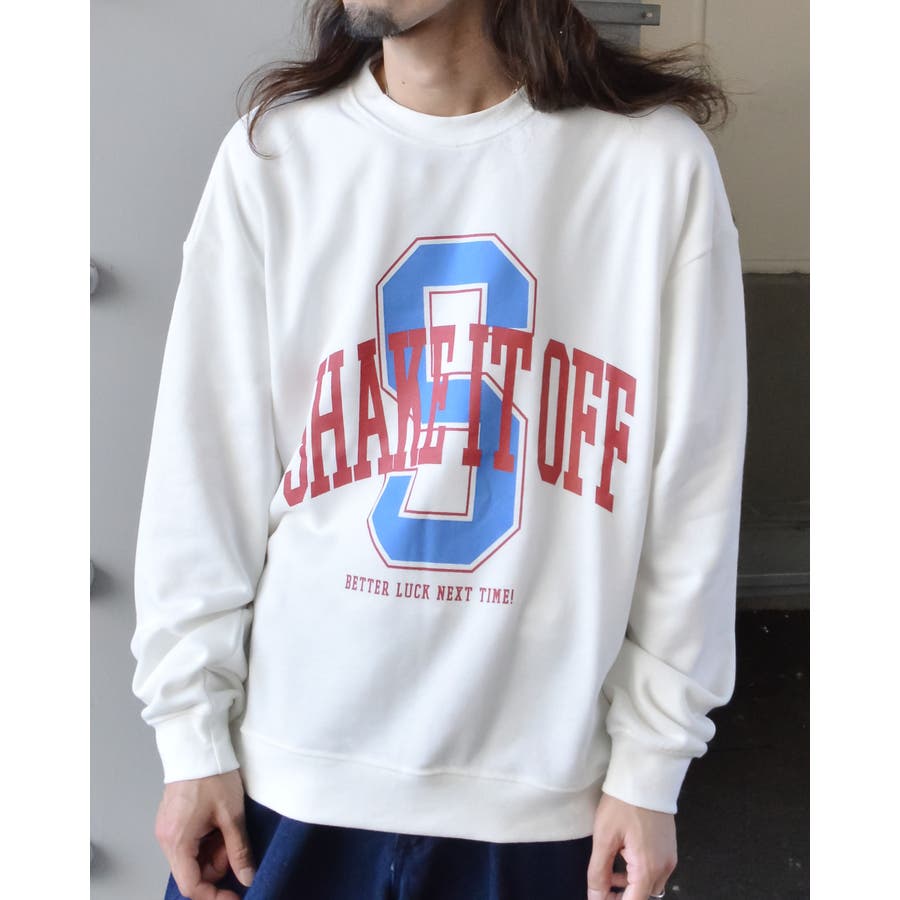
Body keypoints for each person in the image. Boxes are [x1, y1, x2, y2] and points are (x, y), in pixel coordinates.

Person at [130, 0, 748, 898]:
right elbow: (204, 474)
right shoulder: (275, 155)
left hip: (540, 797)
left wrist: (653, 765)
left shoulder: (653, 164)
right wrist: (191, 738)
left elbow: (694, 494)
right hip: (288, 779)